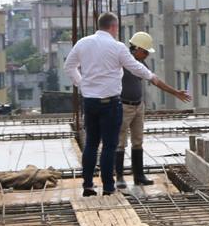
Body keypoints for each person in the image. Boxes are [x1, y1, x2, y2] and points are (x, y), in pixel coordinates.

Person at [65, 12, 192, 196]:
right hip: (111, 103)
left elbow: (69, 67)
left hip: (90, 101)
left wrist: (83, 85)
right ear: (114, 27)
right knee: (110, 145)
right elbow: (139, 69)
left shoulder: (83, 43)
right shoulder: (117, 47)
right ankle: (108, 187)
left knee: (91, 144)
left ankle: (88, 186)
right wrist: (166, 86)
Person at [113, 31, 190, 188]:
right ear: (138, 49)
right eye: (146, 52)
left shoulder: (140, 64)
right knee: (120, 143)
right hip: (124, 105)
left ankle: (139, 176)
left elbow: (155, 80)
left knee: (138, 141)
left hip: (138, 106)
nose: (147, 55)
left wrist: (175, 92)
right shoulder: (121, 61)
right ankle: (119, 177)